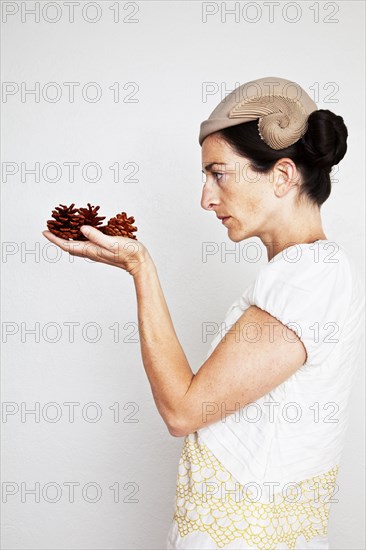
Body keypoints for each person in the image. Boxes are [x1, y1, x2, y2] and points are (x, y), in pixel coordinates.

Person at [42, 76, 365, 550]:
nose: (206, 198)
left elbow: (183, 409)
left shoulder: (310, 275)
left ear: (282, 175)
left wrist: (140, 267)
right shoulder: (304, 272)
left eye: (219, 173)